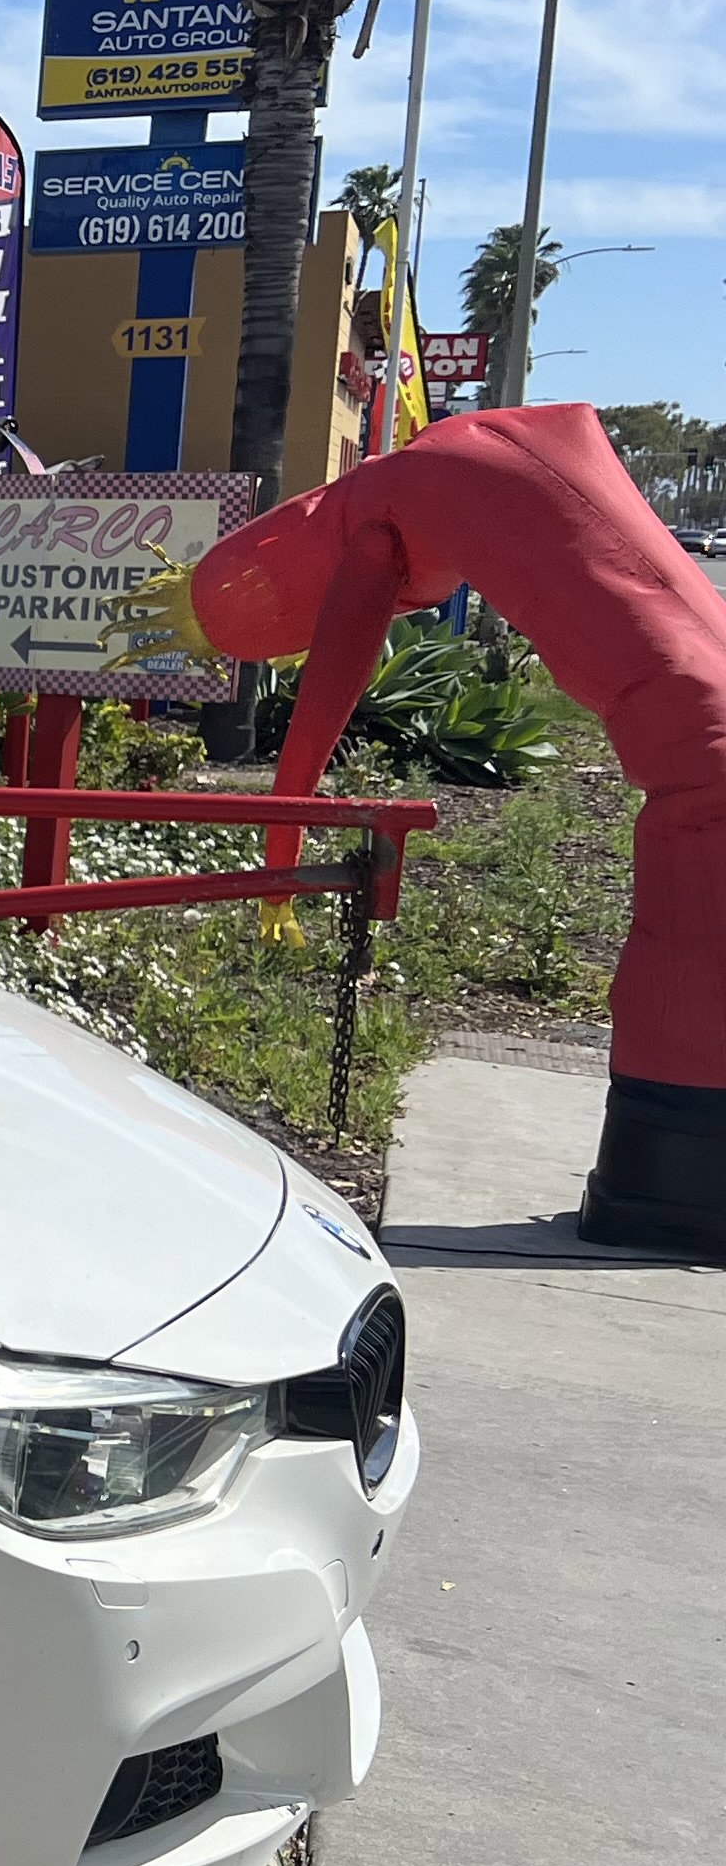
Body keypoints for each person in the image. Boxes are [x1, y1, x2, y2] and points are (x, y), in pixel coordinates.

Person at [106, 404, 726, 1255]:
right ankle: (672, 1175)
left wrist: (280, 869)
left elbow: (317, 715)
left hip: (700, 753)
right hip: (705, 718)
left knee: (689, 948)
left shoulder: (394, 515)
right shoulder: (482, 450)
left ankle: (667, 1183)